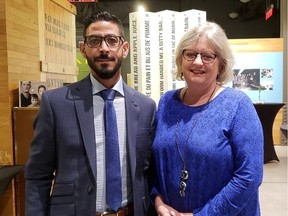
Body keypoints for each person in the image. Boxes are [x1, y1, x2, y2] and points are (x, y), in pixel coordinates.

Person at [25, 11, 156, 216]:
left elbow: (148, 172)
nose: (104, 48)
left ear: (124, 48)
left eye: (112, 40)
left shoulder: (145, 106)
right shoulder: (55, 103)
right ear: (83, 49)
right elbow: (37, 175)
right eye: (95, 40)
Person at [150, 21, 263, 216]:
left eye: (208, 56)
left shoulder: (237, 105)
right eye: (190, 54)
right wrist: (158, 200)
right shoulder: (167, 101)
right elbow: (155, 163)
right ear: (181, 59)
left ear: (221, 64)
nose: (197, 62)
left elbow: (249, 176)